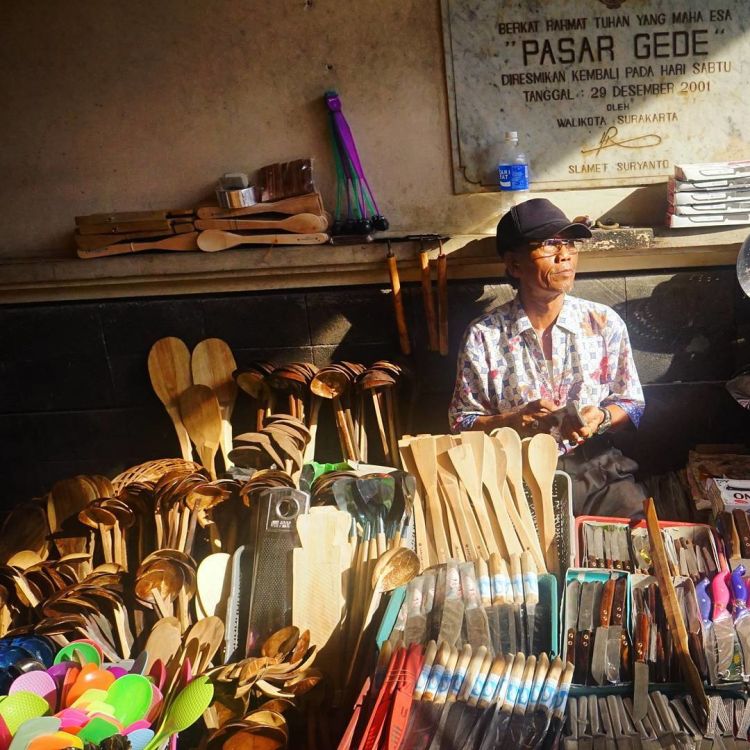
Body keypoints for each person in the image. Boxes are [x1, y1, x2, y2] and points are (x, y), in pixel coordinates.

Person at [448, 198, 647, 517]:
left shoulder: (603, 321)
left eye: (569, 243)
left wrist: (600, 418)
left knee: (634, 541)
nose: (564, 254)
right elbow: (460, 422)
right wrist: (511, 421)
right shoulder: (484, 335)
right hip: (515, 476)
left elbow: (632, 403)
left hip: (597, 471)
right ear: (514, 265)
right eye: (548, 245)